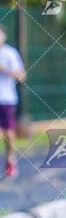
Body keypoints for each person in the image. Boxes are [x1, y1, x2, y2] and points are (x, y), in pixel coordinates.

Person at [0, 23, 26, 178]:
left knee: (8, 132)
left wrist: (4, 69)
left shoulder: (10, 53)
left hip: (6, 99)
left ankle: (10, 160)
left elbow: (21, 76)